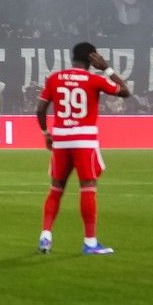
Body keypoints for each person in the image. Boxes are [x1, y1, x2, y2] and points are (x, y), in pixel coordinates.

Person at [37, 41, 131, 256]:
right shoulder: (94, 79)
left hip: (60, 139)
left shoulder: (54, 78)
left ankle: (45, 236)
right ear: (92, 58)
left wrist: (46, 133)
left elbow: (40, 108)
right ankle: (90, 242)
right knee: (88, 187)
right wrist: (106, 67)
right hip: (84, 140)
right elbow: (126, 91)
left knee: (55, 189)